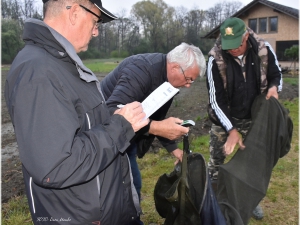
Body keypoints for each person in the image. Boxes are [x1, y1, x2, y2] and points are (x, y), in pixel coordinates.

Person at [4, 0, 150, 224]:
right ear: (73, 11)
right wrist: (120, 126)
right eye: (95, 21)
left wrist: (115, 119)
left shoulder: (61, 65)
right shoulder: (38, 71)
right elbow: (57, 164)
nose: (96, 32)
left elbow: (83, 129)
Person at [100, 43, 207, 224]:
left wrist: (175, 150)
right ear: (175, 67)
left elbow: (156, 117)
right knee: (120, 189)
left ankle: (131, 218)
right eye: (188, 79)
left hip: (129, 137)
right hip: (104, 139)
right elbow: (110, 111)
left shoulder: (169, 81)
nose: (188, 85)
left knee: (133, 185)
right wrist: (156, 127)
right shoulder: (141, 70)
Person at [206, 17, 282, 220]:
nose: (233, 50)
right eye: (228, 46)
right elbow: (216, 101)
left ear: (246, 36)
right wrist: (231, 130)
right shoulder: (215, 59)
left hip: (254, 118)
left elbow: (276, 75)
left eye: (237, 45)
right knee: (216, 161)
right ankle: (213, 202)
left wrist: (274, 88)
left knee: (253, 163)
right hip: (224, 118)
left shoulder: (264, 50)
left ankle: (251, 201)